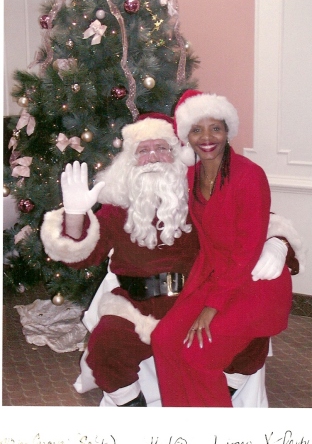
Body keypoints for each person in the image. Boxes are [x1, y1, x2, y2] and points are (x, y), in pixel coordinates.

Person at [40, 112, 303, 407]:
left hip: (195, 300)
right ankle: (135, 411)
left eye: (162, 148)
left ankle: (218, 396)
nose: (153, 157)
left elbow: (251, 221)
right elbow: (84, 256)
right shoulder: (117, 207)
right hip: (136, 304)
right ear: (130, 160)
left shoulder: (199, 194)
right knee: (106, 348)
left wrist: (277, 243)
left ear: (177, 154)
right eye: (143, 150)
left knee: (254, 334)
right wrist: (75, 216)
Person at [150, 89, 298, 407]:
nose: (207, 137)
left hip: (255, 286)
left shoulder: (249, 177)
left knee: (198, 354)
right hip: (215, 277)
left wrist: (211, 306)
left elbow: (245, 252)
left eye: (215, 128)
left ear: (227, 130)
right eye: (197, 128)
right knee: (163, 340)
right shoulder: (190, 174)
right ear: (186, 135)